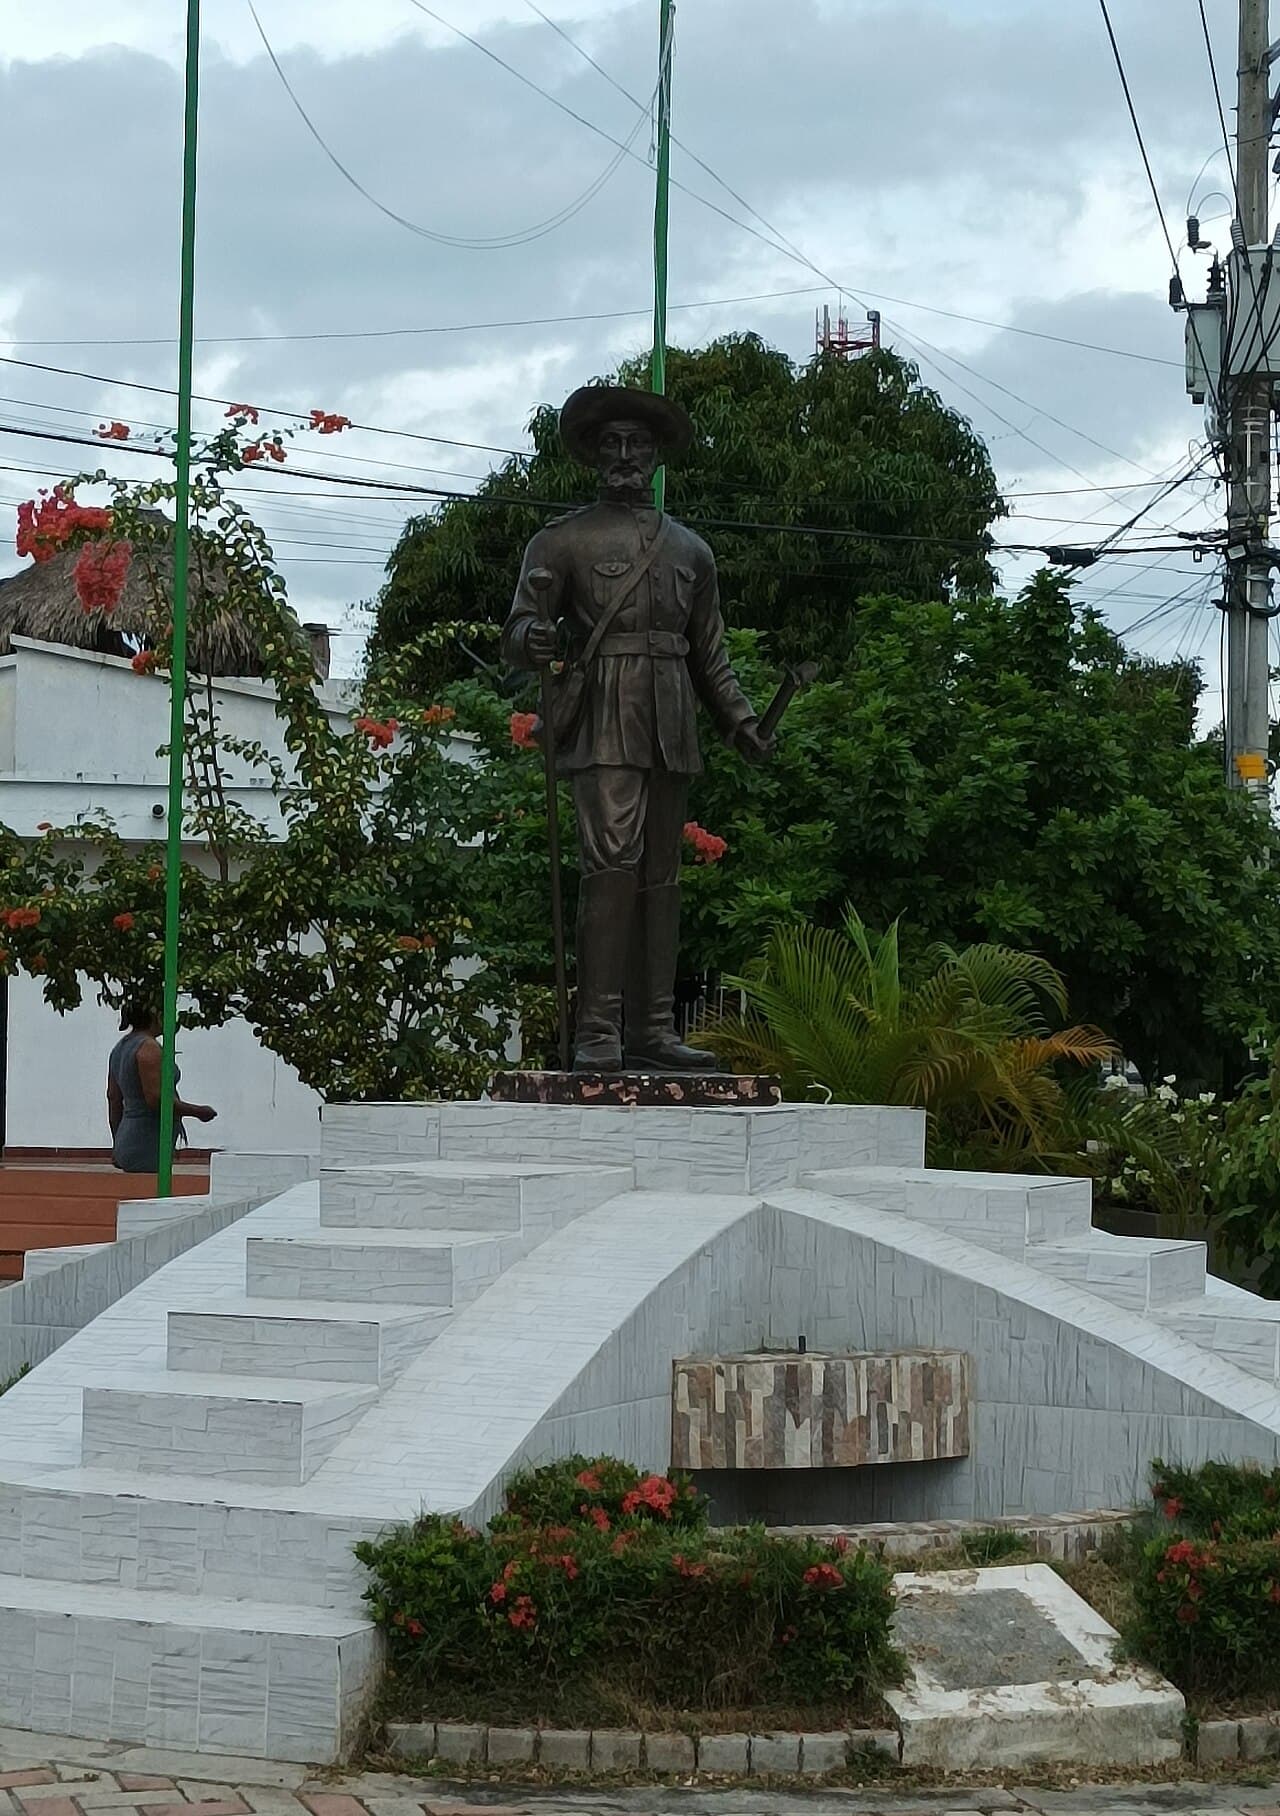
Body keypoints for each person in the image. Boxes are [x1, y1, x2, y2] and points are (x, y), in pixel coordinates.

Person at [501, 384, 773, 1074]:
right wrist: (532, 636)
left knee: (661, 874)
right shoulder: (561, 539)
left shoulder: (691, 551)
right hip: (604, 709)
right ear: (595, 455)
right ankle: (596, 1029)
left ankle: (653, 1029)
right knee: (612, 865)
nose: (625, 456)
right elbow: (519, 629)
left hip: (671, 713)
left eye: (638, 445)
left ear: (655, 457)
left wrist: (740, 722)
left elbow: (710, 652)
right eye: (612, 444)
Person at [107, 1002, 216, 1174]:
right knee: (153, 1192)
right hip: (148, 1137)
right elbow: (156, 1099)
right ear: (154, 1017)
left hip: (128, 1136)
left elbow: (113, 1098)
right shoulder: (149, 1048)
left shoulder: (120, 1048)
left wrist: (117, 1140)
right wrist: (198, 1111)